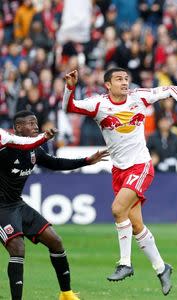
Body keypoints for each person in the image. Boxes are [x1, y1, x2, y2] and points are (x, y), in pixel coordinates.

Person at [63, 68, 177, 295]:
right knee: (135, 224)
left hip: (141, 165)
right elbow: (69, 107)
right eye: (118, 79)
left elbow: (172, 88)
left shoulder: (139, 96)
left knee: (117, 209)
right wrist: (70, 88)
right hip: (119, 170)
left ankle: (125, 263)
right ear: (107, 85)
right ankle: (162, 268)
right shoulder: (98, 104)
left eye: (126, 79)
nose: (124, 83)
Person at [0, 110, 108, 300]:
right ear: (18, 127)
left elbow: (55, 163)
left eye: (36, 124)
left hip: (17, 204)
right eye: (30, 124)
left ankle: (66, 293)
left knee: (55, 241)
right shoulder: (5, 148)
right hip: (1, 208)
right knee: (17, 248)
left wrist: (87, 161)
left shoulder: (34, 150)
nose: (35, 127)